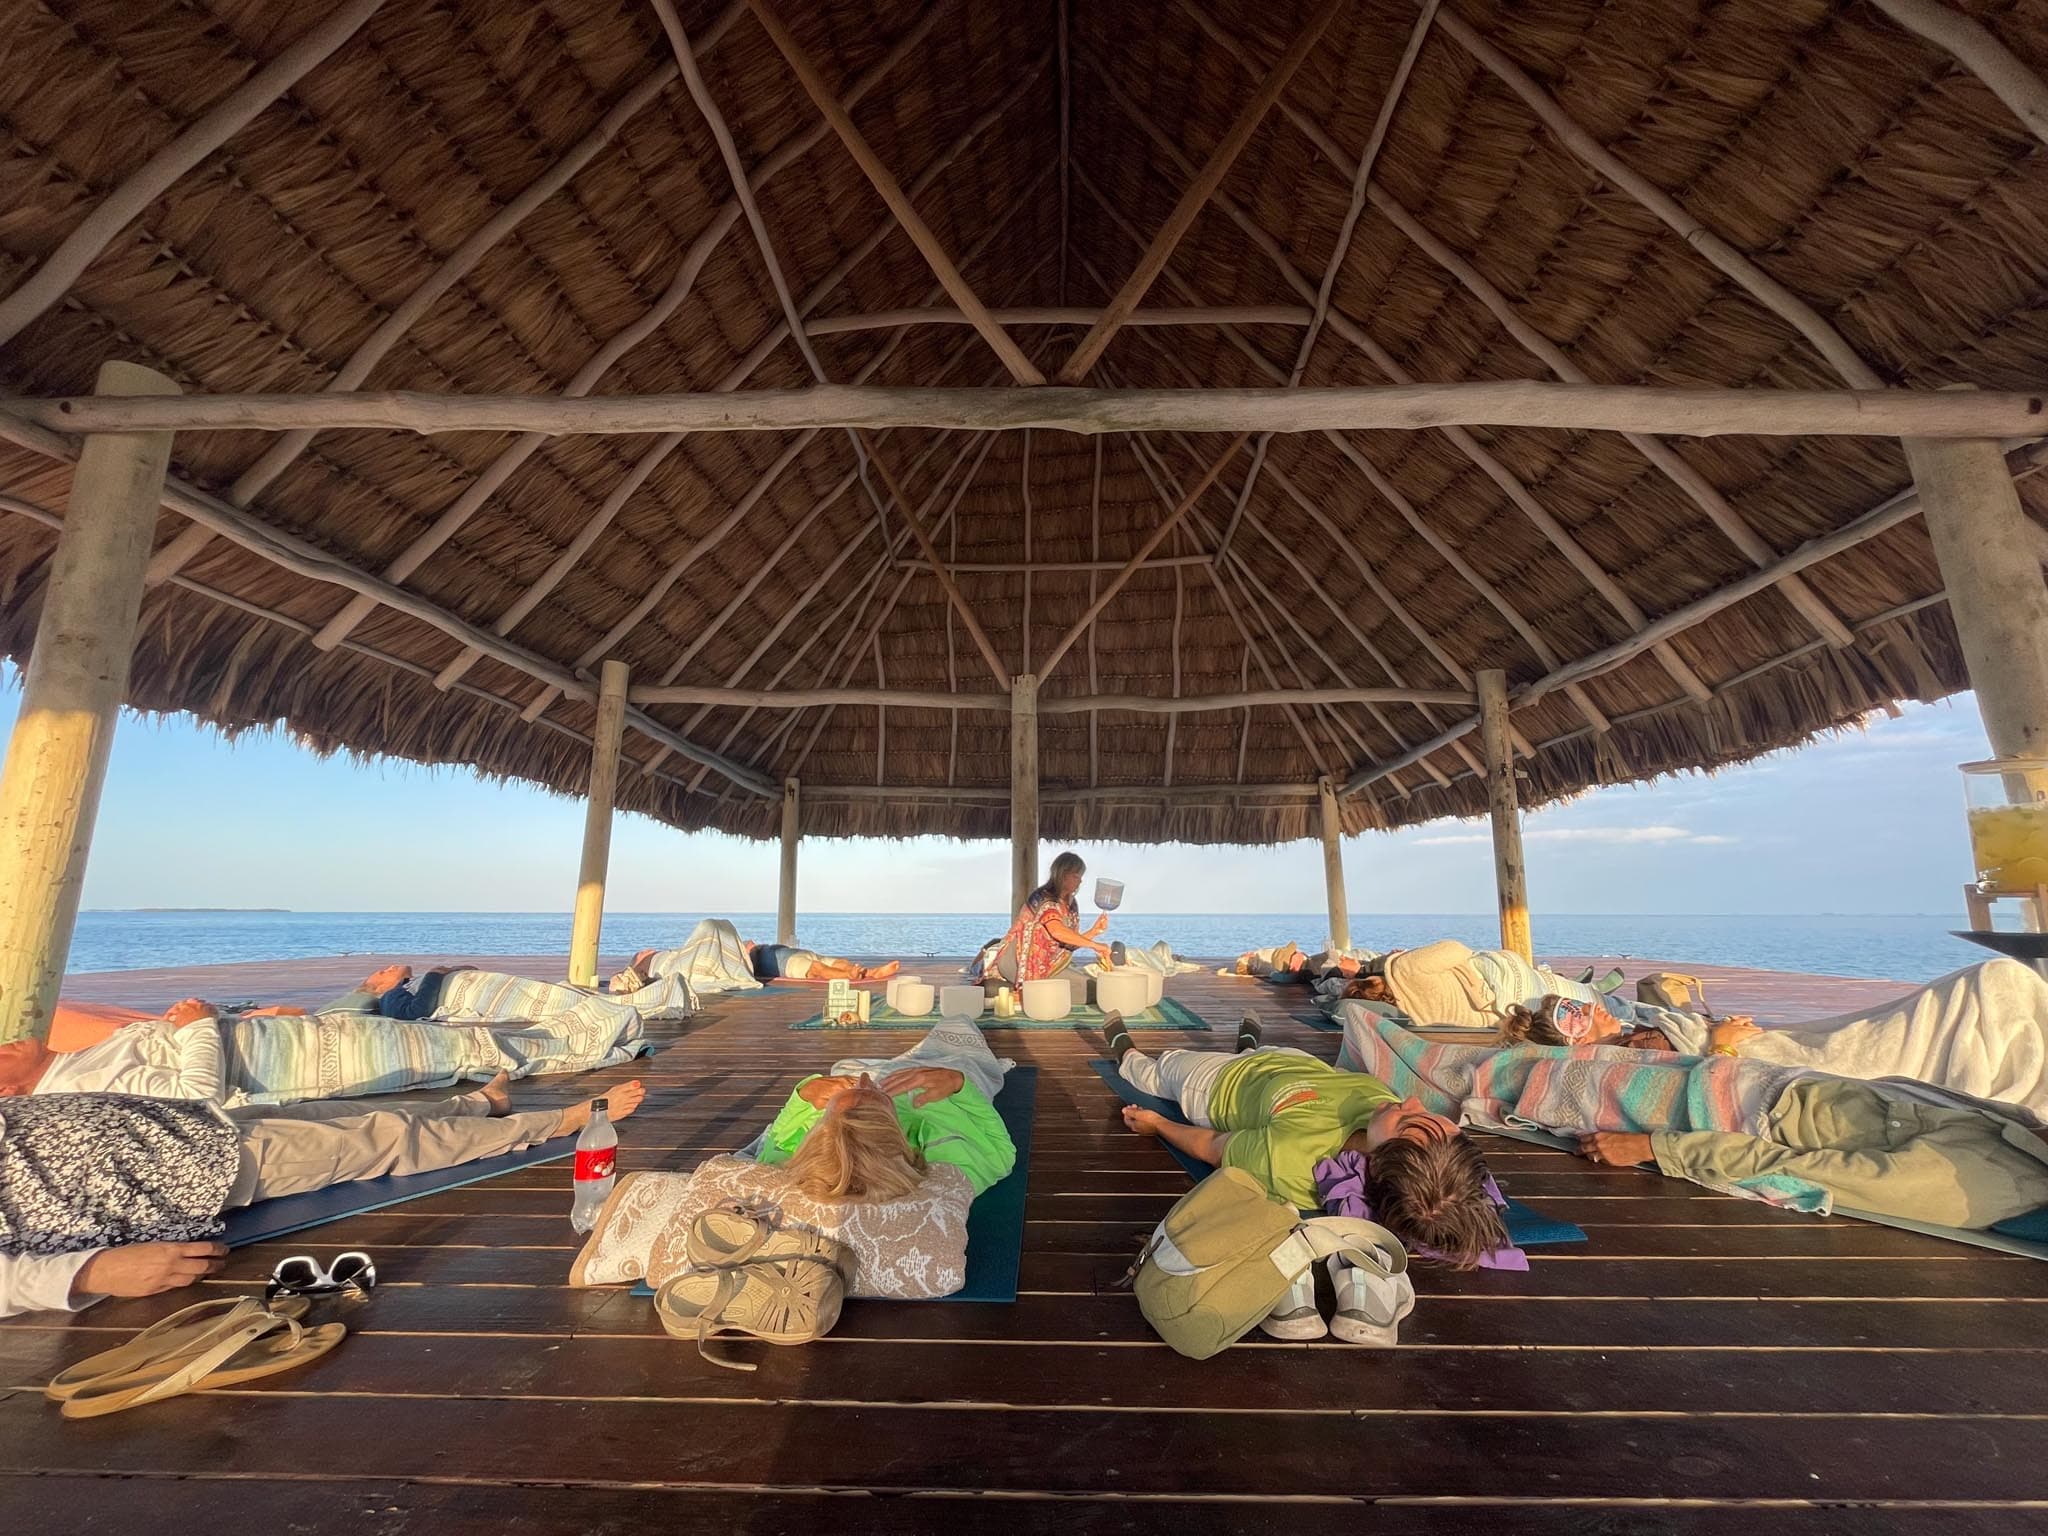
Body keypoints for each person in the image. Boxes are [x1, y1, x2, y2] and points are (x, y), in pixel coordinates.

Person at [1338, 1002, 2048, 1234]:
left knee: (1533, 1084)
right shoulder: (2017, 1136)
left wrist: (1655, 1149)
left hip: (1717, 1112)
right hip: (1735, 1083)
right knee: (1548, 1071)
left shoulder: (1986, 1182)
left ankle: (1409, 1072)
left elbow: (1808, 1174)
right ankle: (1410, 1063)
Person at [0, 1076, 646, 1318]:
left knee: (340, 1109)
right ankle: (558, 1122)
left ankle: (476, 1102)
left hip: (176, 1127)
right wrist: (90, 1271)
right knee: (386, 1137)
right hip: (184, 1173)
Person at [1106, 1010, 1507, 1279]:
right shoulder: (1388, 1124)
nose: (1413, 1100)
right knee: (1260, 1053)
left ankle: (1126, 1053)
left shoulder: (1290, 1159)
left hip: (1219, 1084)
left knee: (1164, 1070)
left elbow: (1211, 1145)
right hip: (1295, 1064)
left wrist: (1159, 1124)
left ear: (1381, 1159)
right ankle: (1249, 1044)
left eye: (1407, 1117)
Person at [3, 977, 648, 1110]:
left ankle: (595, 1033)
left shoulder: (76, 1062)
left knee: (471, 1044)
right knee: (473, 1053)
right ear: (7, 1085)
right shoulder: (79, 1089)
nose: (13, 1039)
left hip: (314, 1040)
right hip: (319, 1066)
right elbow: (195, 1100)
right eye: (2, 1050)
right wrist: (198, 1025)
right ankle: (603, 1040)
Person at [752, 1023, 1016, 1199]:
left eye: (836, 1104)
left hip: (901, 1075)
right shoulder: (945, 1164)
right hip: (938, 1080)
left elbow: (773, 1143)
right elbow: (1002, 1153)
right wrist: (959, 1084)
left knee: (845, 1066)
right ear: (897, 1133)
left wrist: (805, 1094)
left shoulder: (795, 1164)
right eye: (880, 1097)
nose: (867, 1079)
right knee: (957, 1024)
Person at [982, 851, 1112, 984]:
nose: (1080, 881)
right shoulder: (1042, 898)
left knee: (1093, 986)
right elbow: (1057, 931)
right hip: (1018, 963)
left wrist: (1094, 931)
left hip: (1049, 967)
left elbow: (1069, 943)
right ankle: (1023, 989)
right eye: (1076, 876)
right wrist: (1095, 945)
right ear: (1063, 875)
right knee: (1083, 989)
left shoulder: (1071, 905)